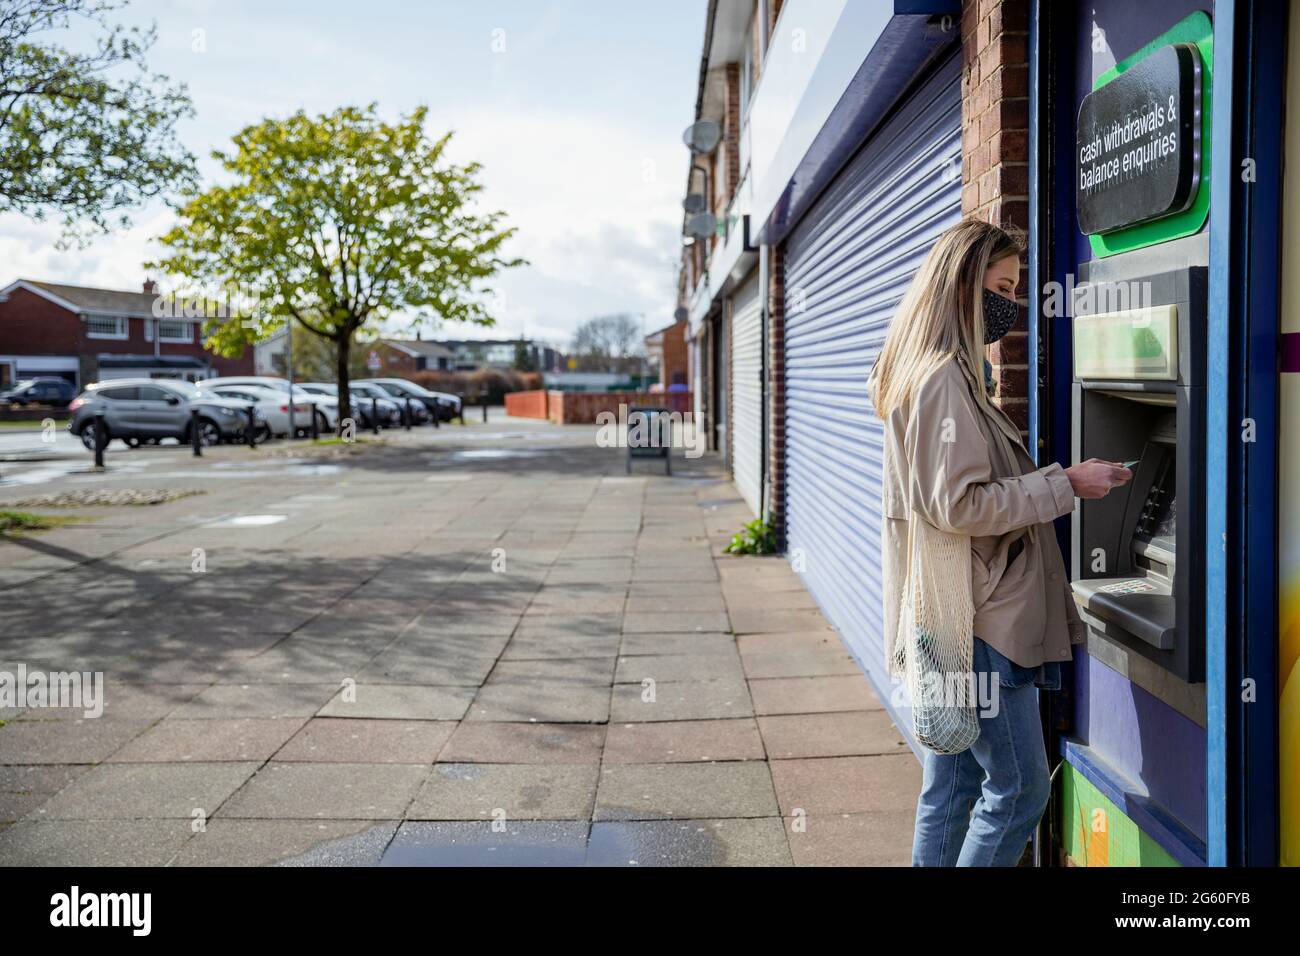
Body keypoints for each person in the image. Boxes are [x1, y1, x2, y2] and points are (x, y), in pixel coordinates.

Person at [866, 217, 1132, 866]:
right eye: (1004, 286)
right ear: (962, 285)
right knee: (1018, 793)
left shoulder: (939, 374)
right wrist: (1065, 483)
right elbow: (958, 504)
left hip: (961, 611)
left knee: (953, 788)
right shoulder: (942, 382)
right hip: (980, 620)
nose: (1012, 304)